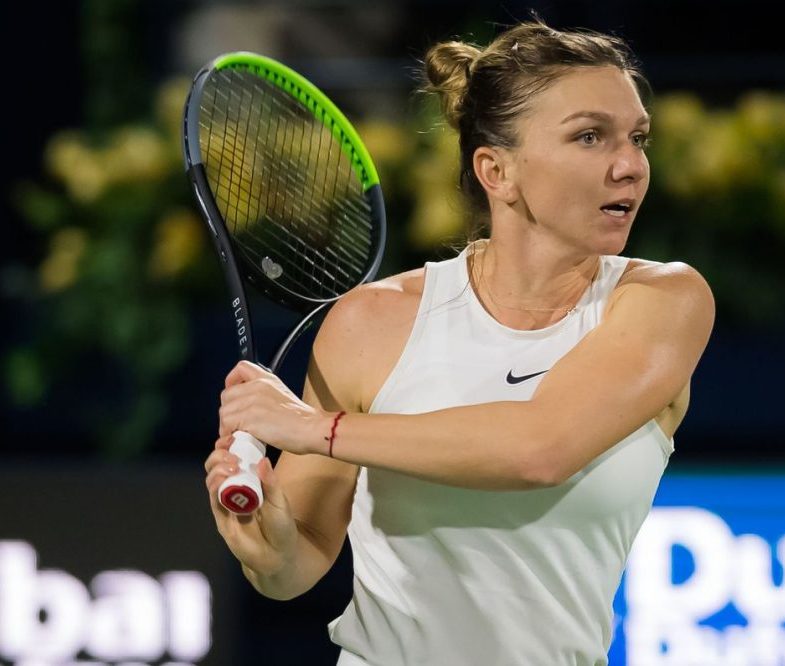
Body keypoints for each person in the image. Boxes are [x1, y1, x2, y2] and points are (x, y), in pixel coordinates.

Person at [205, 18, 714, 666]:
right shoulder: (371, 323)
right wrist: (269, 545)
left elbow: (539, 449)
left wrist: (314, 429)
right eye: (590, 136)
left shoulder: (663, 301)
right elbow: (296, 562)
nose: (631, 166)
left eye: (637, 138)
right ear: (496, 171)